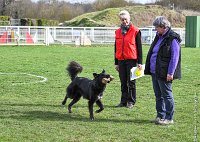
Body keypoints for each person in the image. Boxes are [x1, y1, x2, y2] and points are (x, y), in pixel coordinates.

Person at [144, 16, 181, 125]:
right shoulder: (158, 36)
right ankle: (160, 116)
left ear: (163, 27)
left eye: (156, 27)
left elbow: (175, 57)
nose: (155, 29)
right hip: (155, 71)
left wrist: (170, 73)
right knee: (158, 95)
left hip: (165, 72)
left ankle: (169, 118)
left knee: (167, 95)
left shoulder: (172, 38)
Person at [114, 10, 143, 109]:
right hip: (121, 60)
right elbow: (116, 47)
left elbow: (139, 48)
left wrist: (140, 62)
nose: (124, 21)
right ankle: (123, 101)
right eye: (122, 20)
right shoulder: (117, 32)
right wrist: (116, 62)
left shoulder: (136, 31)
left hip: (132, 60)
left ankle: (131, 101)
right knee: (123, 82)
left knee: (131, 82)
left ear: (129, 18)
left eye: (125, 19)